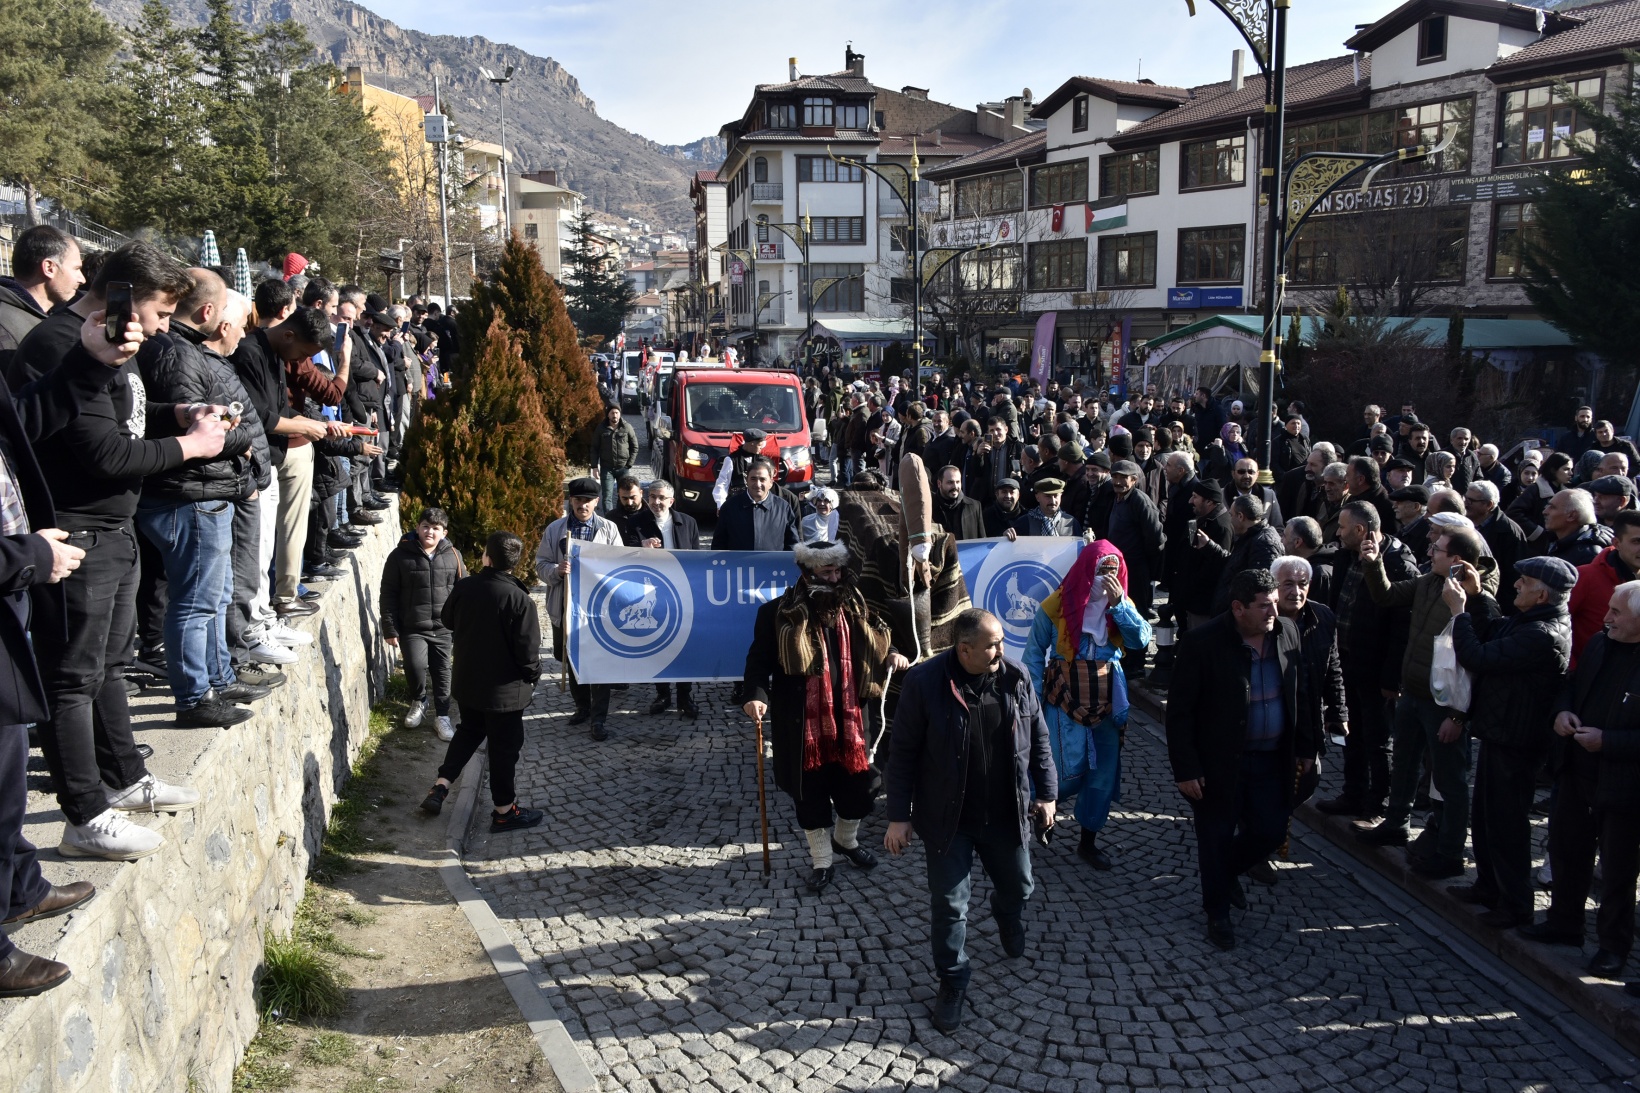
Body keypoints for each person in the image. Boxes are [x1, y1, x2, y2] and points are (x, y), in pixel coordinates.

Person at [7, 244, 225, 861]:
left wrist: (178, 412)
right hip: (73, 537)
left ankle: (125, 778)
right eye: (158, 309)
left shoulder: (108, 343)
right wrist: (192, 446)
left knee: (108, 666)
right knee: (70, 678)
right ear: (123, 293)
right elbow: (105, 453)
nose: (160, 326)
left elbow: (123, 416)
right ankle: (85, 815)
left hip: (113, 530)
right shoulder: (59, 346)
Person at [0, 302, 153, 996]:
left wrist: (90, 359)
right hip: (20, 569)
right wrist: (25, 555)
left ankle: (18, 886)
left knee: (5, 772)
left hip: (12, 594)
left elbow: (26, 423)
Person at [885, 609, 1056, 1033]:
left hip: (1004, 814)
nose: (1001, 650)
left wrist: (1048, 794)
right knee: (949, 905)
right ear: (964, 650)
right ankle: (952, 979)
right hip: (949, 821)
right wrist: (898, 817)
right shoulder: (924, 683)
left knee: (1020, 884)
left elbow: (1038, 737)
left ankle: (1006, 909)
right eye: (993, 645)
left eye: (1000, 642)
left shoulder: (1015, 677)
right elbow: (902, 752)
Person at [1166, 568, 1319, 951]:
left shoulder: (1287, 632)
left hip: (1271, 760)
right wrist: (1187, 769)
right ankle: (1217, 913)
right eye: (1264, 606)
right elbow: (1180, 712)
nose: (1274, 611)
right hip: (1220, 766)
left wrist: (1307, 747)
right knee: (1215, 839)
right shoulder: (1203, 643)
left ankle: (1227, 871)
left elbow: (1300, 693)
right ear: (1238, 608)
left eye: (1274, 604)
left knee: (1269, 831)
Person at [743, 540, 908, 893]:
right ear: (808, 572)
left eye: (838, 571)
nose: (835, 578)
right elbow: (758, 663)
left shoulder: (856, 608)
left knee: (863, 787)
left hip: (851, 718)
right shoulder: (776, 614)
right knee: (811, 791)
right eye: (827, 572)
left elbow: (880, 638)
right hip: (803, 723)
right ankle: (821, 859)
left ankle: (845, 841)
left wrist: (892, 653)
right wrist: (756, 697)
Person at [1356, 528, 1500, 878]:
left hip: (1445, 705)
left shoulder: (1479, 603)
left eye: (1437, 549)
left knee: (1450, 779)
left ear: (1458, 560)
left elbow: (1475, 666)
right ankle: (1396, 823)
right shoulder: (1427, 582)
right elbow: (1387, 596)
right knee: (1404, 763)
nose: (1430, 551)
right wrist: (1374, 565)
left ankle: (1450, 852)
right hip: (1414, 693)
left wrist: (1458, 716)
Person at [1445, 556, 1574, 930]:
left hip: (1518, 740)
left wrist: (1458, 612)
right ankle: (1489, 887)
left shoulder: (1543, 633)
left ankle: (1516, 904)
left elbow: (1479, 655)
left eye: (1525, 580)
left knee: (1507, 824)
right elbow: (1494, 631)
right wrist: (1477, 596)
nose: (1516, 584)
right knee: (1485, 817)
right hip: (1499, 731)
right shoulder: (1529, 619)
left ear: (1542, 593)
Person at [1521, 581, 1640, 978]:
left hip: (1623, 783)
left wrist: (1610, 742)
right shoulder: (1601, 644)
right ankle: (1564, 923)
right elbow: (1570, 686)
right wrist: (1563, 712)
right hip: (1577, 770)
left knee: (1618, 870)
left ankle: (1612, 946)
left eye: (1617, 613)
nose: (1605, 618)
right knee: (1567, 849)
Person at [1024, 544, 1151, 870]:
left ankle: (1087, 842)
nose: (1106, 579)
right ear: (1086, 571)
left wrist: (1119, 605)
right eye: (1100, 571)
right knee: (1058, 767)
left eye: (1112, 572)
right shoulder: (1056, 605)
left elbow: (1140, 641)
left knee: (1102, 774)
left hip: (1107, 703)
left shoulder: (1121, 606)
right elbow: (1034, 654)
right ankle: (1041, 814)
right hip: (1062, 703)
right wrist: (1033, 702)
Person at [419, 531, 544, 833]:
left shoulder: (466, 587)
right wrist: (533, 676)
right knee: (504, 749)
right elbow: (528, 653)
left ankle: (440, 785)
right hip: (505, 693)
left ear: (487, 557)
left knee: (468, 732)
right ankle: (504, 812)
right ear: (515, 563)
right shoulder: (520, 599)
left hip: (469, 683)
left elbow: (448, 620)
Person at [1318, 502, 1419, 820]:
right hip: (1347, 660)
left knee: (1378, 739)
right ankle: (1354, 793)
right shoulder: (1346, 553)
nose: (1337, 532)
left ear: (1361, 530)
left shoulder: (1397, 563)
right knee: (1351, 731)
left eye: (1343, 527)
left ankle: (1379, 803)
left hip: (1377, 670)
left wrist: (1392, 677)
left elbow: (1403, 628)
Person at [536, 477, 622, 738]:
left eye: (587, 501)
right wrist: (556, 570)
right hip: (565, 605)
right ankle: (582, 706)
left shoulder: (608, 529)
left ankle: (599, 719)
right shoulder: (555, 530)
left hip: (598, 609)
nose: (582, 505)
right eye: (577, 500)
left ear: (597, 502)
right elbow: (540, 564)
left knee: (600, 661)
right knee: (571, 660)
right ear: (570, 501)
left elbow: (619, 566)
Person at [381, 507, 466, 742]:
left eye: (436, 528)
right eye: (425, 526)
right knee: (415, 666)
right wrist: (389, 627)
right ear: (417, 528)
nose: (430, 532)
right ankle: (419, 700)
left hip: (443, 628)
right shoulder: (399, 556)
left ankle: (442, 716)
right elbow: (388, 594)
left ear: (444, 532)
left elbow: (464, 592)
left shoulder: (454, 556)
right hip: (412, 627)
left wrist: (464, 625)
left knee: (443, 672)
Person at [629, 481, 702, 719]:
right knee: (658, 643)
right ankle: (662, 694)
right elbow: (620, 553)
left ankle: (685, 695)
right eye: (652, 497)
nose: (656, 502)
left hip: (682, 591)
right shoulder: (637, 522)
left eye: (661, 497)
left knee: (685, 645)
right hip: (651, 593)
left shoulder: (688, 522)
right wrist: (641, 546)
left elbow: (696, 558)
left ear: (671, 501)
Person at [0, 225, 82, 372]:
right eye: (76, 269)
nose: (82, 279)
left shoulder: (49, 316)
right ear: (49, 268)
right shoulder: (5, 330)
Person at [1202, 493, 1283, 616]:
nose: (1230, 519)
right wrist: (1209, 545)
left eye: (1231, 515)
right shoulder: (1249, 536)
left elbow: (1261, 589)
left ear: (1240, 516)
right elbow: (1235, 564)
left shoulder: (1263, 543)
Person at [712, 458, 799, 551]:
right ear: (746, 481)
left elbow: (792, 545)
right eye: (753, 479)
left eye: (762, 479)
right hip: (738, 565)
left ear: (770, 482)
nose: (757, 484)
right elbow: (718, 544)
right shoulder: (730, 507)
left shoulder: (783, 508)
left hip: (773, 565)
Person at [1007, 479, 1081, 538]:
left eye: (1056, 496)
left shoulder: (1071, 522)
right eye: (1048, 496)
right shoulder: (1024, 522)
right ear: (1037, 497)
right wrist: (1006, 536)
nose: (1053, 501)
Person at [932, 465, 985, 541]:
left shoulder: (974, 506)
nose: (955, 486)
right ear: (939, 483)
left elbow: (982, 540)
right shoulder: (929, 507)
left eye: (958, 482)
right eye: (950, 482)